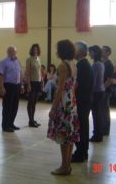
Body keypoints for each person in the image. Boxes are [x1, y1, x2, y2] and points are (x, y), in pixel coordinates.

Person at [47, 39, 79, 175]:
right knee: (70, 135)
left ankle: (64, 167)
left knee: (63, 136)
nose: (56, 51)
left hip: (63, 104)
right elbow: (73, 85)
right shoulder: (73, 64)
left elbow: (60, 89)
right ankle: (67, 165)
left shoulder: (62, 66)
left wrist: (53, 108)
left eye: (57, 49)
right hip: (71, 102)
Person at [71, 41, 94, 163]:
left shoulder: (81, 66)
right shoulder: (85, 64)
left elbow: (76, 84)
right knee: (83, 126)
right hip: (86, 100)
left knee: (80, 127)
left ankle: (80, 153)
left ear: (80, 51)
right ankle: (83, 151)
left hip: (82, 100)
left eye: (74, 49)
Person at [0, 46, 24, 132]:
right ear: (8, 52)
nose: (13, 53)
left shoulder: (17, 61)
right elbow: (0, 75)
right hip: (8, 86)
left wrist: (22, 86)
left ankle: (11, 123)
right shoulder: (3, 62)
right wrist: (2, 87)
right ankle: (5, 126)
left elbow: (20, 74)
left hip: (16, 86)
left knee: (15, 106)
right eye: (11, 51)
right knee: (7, 107)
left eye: (14, 51)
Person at [89, 45, 105, 142]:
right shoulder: (101, 63)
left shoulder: (95, 65)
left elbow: (93, 81)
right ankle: (99, 134)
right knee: (98, 114)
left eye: (90, 52)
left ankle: (97, 135)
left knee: (96, 114)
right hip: (101, 90)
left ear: (94, 52)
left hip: (96, 91)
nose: (89, 54)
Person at [25, 44, 43, 128]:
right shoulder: (29, 59)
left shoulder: (38, 59)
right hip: (32, 82)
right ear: (32, 50)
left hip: (38, 82)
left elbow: (40, 72)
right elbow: (27, 73)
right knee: (30, 102)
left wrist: (42, 81)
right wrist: (28, 84)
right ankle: (30, 121)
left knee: (35, 102)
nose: (35, 50)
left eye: (37, 49)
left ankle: (32, 119)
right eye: (34, 49)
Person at [101, 46, 114, 136]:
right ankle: (102, 128)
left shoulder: (109, 64)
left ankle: (105, 131)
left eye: (103, 51)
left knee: (105, 110)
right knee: (101, 110)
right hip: (101, 89)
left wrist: (102, 89)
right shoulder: (101, 63)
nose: (101, 52)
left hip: (105, 90)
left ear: (108, 53)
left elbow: (109, 80)